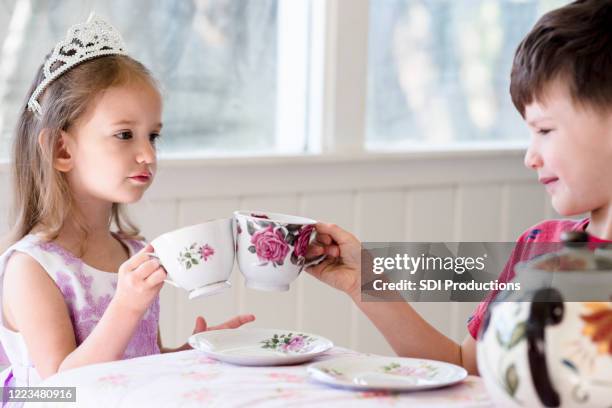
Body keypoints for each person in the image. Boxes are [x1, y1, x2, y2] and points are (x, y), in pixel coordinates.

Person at [306, 0, 612, 375]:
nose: (530, 156)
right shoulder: (537, 247)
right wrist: (363, 282)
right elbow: (466, 369)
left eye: (545, 130)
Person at [0, 15, 254, 390]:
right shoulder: (33, 268)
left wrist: (189, 354)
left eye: (153, 136)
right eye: (124, 135)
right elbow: (58, 388)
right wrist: (127, 307)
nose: (148, 155)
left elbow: (135, 365)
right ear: (60, 149)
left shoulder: (132, 252)